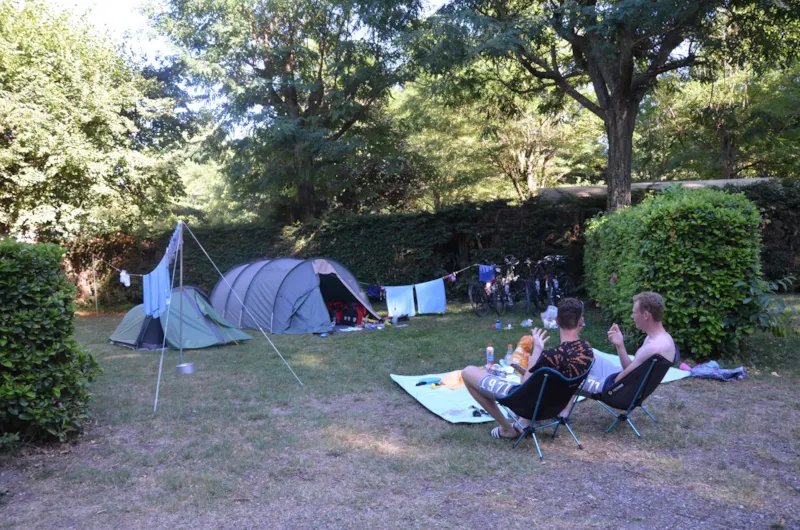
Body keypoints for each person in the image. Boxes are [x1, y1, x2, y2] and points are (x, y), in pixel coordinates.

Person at [461, 298, 594, 440]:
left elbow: (524, 385)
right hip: (554, 407)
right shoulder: (587, 351)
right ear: (581, 321)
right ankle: (523, 422)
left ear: (557, 321)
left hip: (526, 405)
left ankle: (507, 429)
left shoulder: (550, 357)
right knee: (531, 363)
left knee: (468, 372)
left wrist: (537, 350)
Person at [581, 291, 677, 396]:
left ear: (645, 315)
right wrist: (620, 345)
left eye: (634, 313)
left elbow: (617, 381)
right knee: (587, 354)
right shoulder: (663, 339)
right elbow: (630, 371)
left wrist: (597, 380)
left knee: (571, 380)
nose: (632, 317)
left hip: (615, 390)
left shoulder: (653, 348)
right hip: (629, 387)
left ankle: (564, 411)